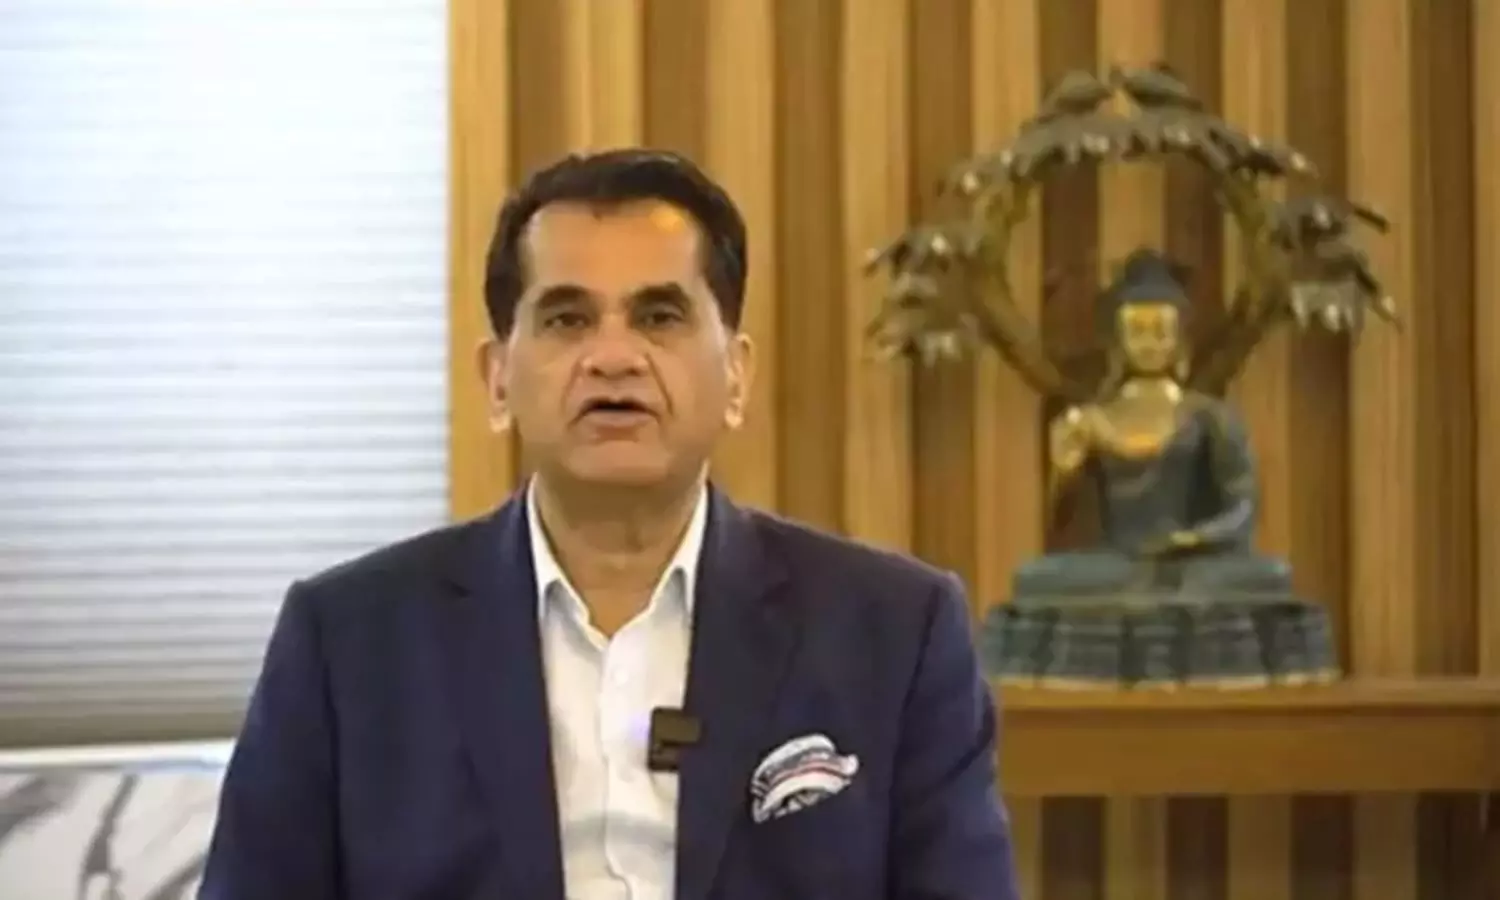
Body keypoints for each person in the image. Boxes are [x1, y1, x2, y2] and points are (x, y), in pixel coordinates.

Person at [199, 149, 1017, 900]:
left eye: (659, 317)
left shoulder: (895, 632)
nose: (614, 357)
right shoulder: (347, 642)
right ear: (497, 379)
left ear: (735, 375)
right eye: (567, 319)